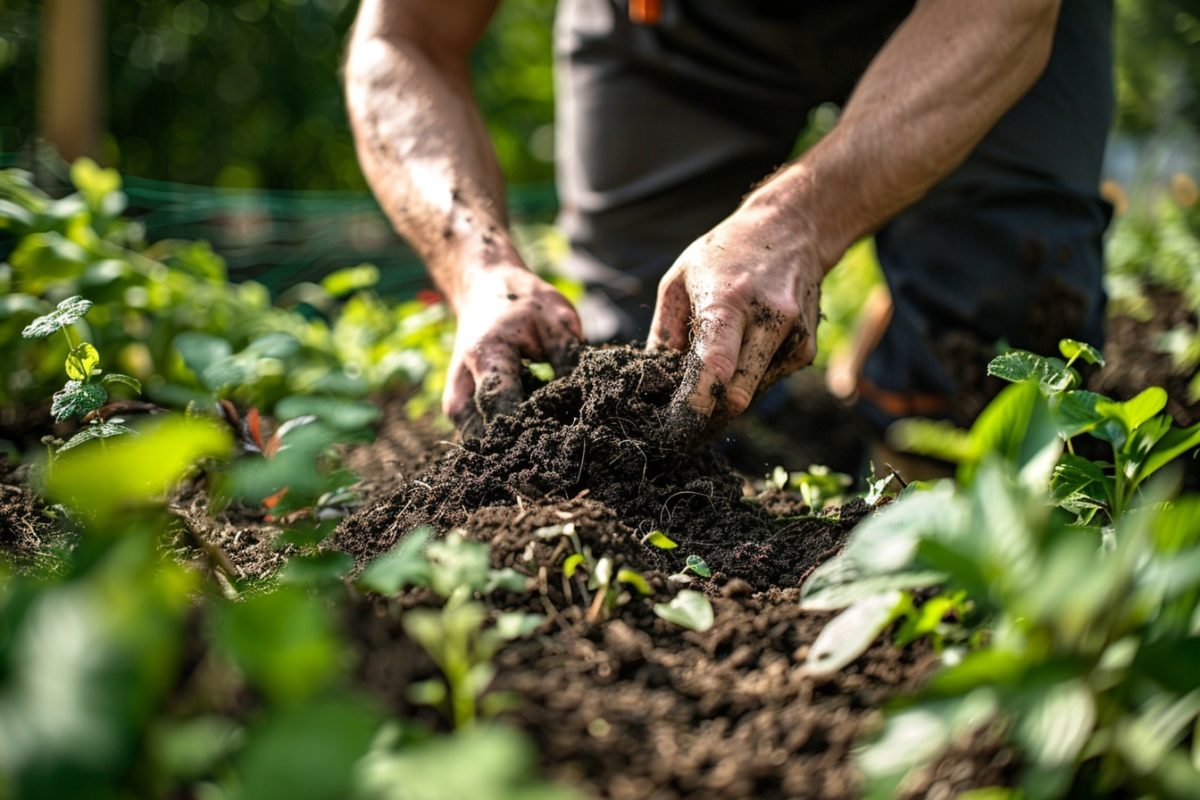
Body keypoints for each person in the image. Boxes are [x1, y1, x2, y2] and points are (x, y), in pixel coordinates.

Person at [344, 0, 1112, 442]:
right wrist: (477, 269)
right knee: (651, 384)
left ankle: (904, 368)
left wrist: (801, 220)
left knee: (996, 378)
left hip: (954, 15)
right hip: (677, 27)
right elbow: (399, 41)